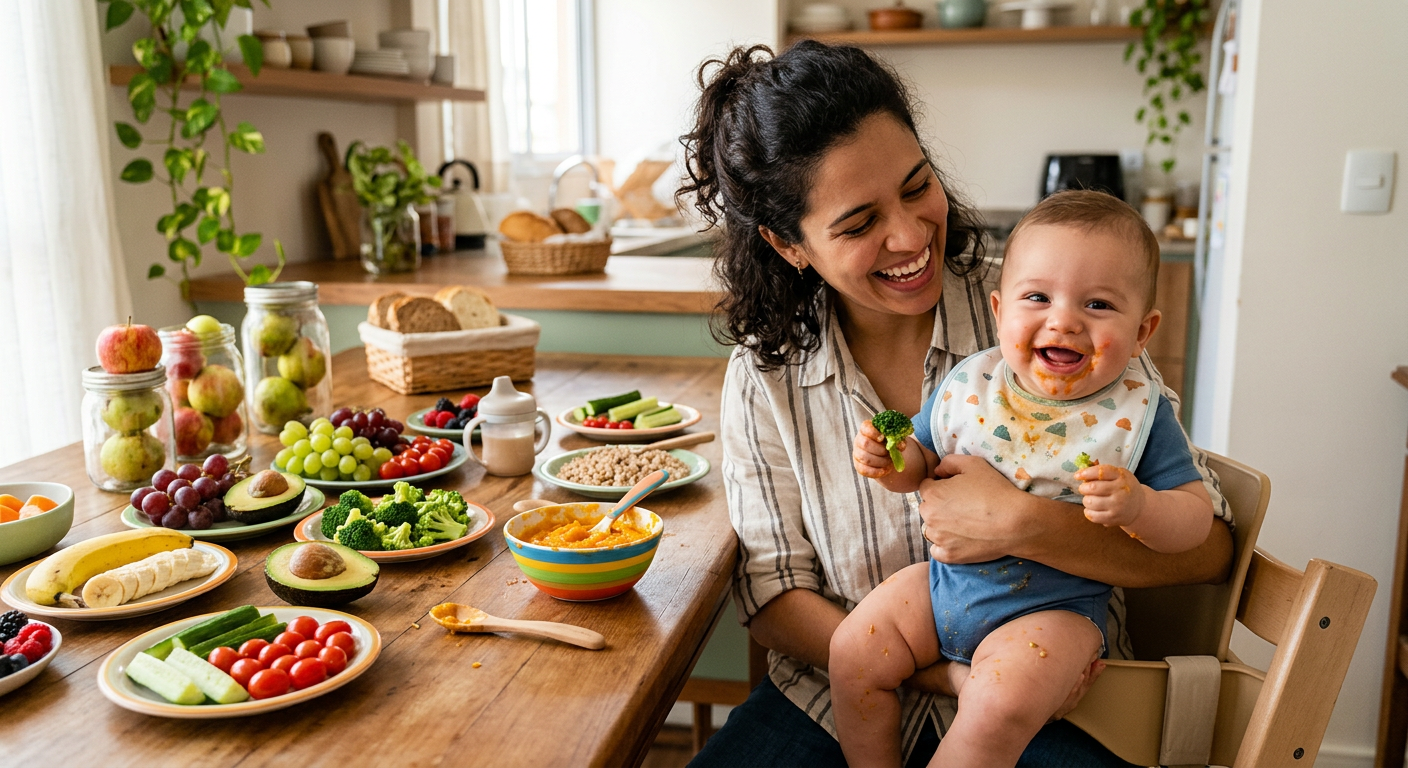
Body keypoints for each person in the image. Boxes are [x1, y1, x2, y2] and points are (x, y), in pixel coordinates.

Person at [679, 41, 1234, 768]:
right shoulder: (766, 374)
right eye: (857, 224)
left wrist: (1024, 523)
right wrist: (947, 677)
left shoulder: (1061, 310)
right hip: (835, 695)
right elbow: (774, 594)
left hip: (1060, 701)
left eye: (917, 186)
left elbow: (1209, 551)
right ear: (790, 245)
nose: (910, 236)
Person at [835, 190, 1216, 768]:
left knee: (997, 705)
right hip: (944, 588)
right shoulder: (974, 385)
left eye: (1098, 305)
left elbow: (1196, 522)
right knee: (852, 651)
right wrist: (893, 461)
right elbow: (922, 463)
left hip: (1055, 613)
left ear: (1143, 332)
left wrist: (1140, 508)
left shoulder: (1138, 413)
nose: (1062, 320)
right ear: (999, 310)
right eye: (1037, 297)